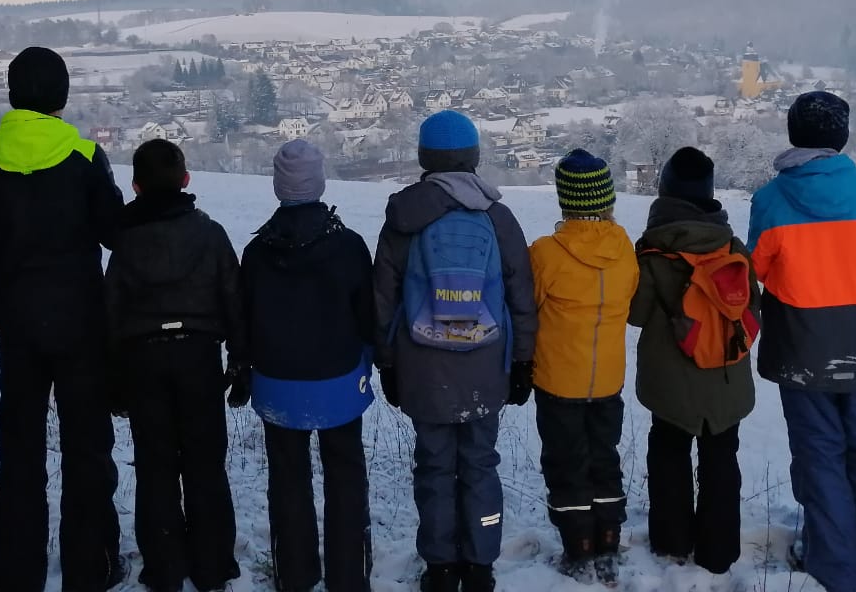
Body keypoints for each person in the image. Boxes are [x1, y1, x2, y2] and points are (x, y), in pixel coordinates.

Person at [0, 47, 126, 592]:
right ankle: (90, 567)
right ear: (62, 95)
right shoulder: (83, 155)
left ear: (11, 93)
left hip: (19, 327)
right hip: (80, 322)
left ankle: (16, 572)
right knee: (87, 448)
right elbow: (115, 233)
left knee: (20, 449)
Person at [373, 110, 538, 592]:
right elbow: (521, 296)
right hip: (486, 366)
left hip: (423, 367)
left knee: (434, 467)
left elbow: (383, 299)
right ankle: (481, 565)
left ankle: (441, 567)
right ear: (474, 157)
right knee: (481, 464)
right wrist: (523, 361)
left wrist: (388, 364)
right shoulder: (497, 217)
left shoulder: (403, 218)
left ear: (424, 158)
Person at [746, 91, 856, 592]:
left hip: (802, 348)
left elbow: (758, 269)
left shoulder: (771, 199)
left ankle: (832, 567)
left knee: (820, 455)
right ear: (843, 135)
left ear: (794, 133)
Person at [105, 140, 246, 592]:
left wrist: (114, 380)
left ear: (136, 186)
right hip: (199, 357)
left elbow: (111, 312)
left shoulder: (126, 242)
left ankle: (164, 568)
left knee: (154, 465)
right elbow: (234, 301)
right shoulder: (210, 233)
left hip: (143, 359)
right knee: (205, 464)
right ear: (186, 180)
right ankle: (211, 565)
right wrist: (241, 362)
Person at [240, 140, 375, 592]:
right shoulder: (350, 247)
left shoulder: (257, 253)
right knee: (346, 476)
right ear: (319, 184)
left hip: (277, 384)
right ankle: (348, 577)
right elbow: (369, 319)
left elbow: (242, 320)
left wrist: (241, 367)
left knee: (287, 479)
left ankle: (294, 576)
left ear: (279, 188)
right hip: (338, 382)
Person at [630, 146, 758, 577]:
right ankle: (719, 552)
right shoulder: (732, 247)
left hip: (670, 384)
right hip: (725, 379)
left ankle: (672, 543)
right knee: (722, 459)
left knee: (668, 455)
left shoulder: (653, 253)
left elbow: (635, 313)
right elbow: (752, 308)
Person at [529, 149, 638, 584]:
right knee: (604, 457)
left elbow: (529, 305)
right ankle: (609, 538)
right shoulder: (625, 248)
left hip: (558, 380)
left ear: (564, 200)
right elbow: (629, 296)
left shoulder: (545, 253)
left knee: (565, 461)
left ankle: (579, 547)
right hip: (608, 379)